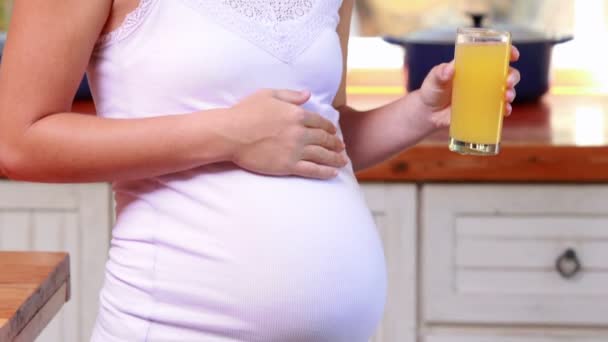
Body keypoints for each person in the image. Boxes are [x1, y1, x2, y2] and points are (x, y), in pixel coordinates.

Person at [0, 0, 520, 341]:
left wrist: (422, 111)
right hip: (177, 325)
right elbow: (19, 141)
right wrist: (229, 133)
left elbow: (316, 139)